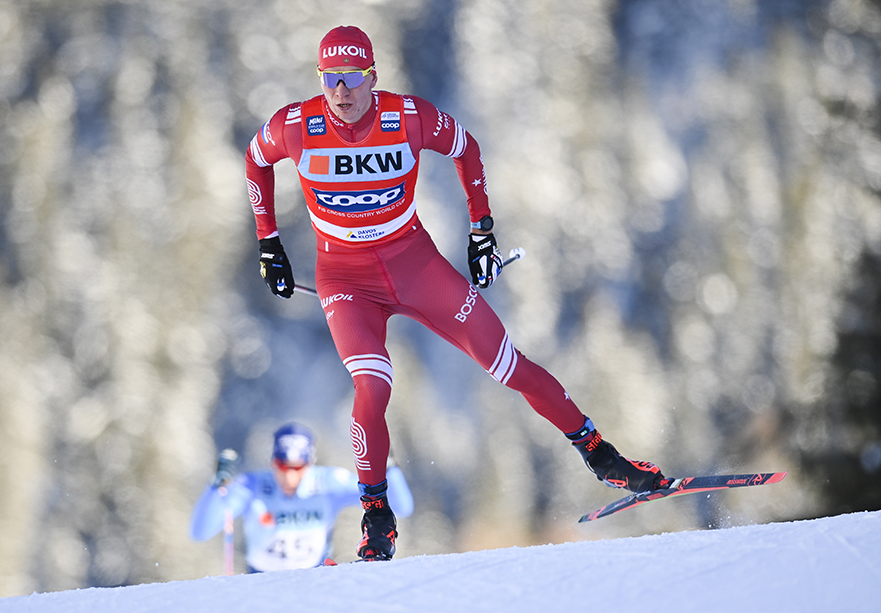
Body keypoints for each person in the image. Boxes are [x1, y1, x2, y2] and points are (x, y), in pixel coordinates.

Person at [245, 25, 670, 561]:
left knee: (507, 364)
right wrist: (268, 242)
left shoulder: (407, 117)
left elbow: (466, 149)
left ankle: (602, 456)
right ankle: (377, 516)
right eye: (331, 79)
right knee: (372, 388)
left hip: (414, 264)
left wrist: (481, 229)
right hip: (346, 280)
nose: (342, 92)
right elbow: (256, 158)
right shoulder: (296, 124)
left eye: (353, 78)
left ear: (373, 77)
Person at [189, 422, 413, 571]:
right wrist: (215, 488)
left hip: (314, 580)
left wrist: (388, 467)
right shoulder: (252, 485)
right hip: (259, 583)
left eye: (297, 468)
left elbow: (401, 506)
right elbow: (200, 531)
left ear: (310, 463)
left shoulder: (328, 482)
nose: (289, 476)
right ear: (272, 463)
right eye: (282, 466)